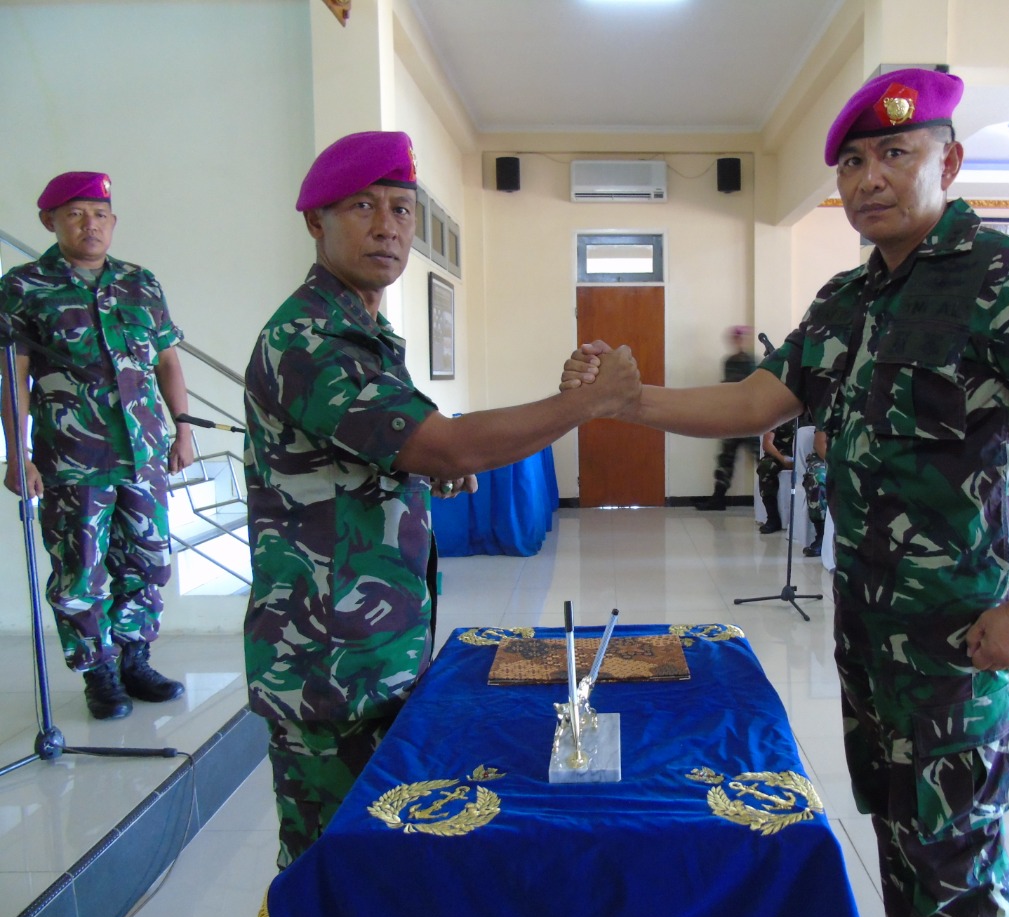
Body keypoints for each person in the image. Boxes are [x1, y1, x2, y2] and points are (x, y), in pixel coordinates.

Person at [563, 68, 1009, 917]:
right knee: (897, 834)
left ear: (951, 159)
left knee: (957, 859)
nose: (870, 178)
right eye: (854, 161)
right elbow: (758, 404)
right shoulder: (848, 300)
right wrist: (630, 404)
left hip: (961, 636)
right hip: (866, 627)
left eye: (896, 153)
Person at [243, 131, 639, 870]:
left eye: (401, 208)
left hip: (370, 642)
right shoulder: (309, 337)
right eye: (362, 206)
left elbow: (404, 450)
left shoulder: (362, 331)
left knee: (379, 860)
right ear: (315, 222)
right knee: (331, 869)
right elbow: (445, 444)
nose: (388, 226)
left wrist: (426, 466)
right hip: (325, 660)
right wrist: (587, 406)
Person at [0, 171, 193, 721]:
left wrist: (183, 428)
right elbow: (13, 377)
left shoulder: (141, 283)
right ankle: (98, 672)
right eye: (76, 214)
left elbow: (167, 361)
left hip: (145, 452)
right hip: (71, 457)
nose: (91, 225)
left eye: (100, 215)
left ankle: (136, 657)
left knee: (150, 560)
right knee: (79, 569)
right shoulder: (23, 287)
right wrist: (19, 455)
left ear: (113, 222)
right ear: (50, 221)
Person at [695, 324, 757, 511]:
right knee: (725, 458)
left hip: (749, 418)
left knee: (762, 458)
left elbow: (749, 389)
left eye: (740, 338)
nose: (737, 341)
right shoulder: (729, 361)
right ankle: (718, 499)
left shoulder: (752, 362)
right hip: (732, 418)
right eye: (735, 338)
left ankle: (776, 502)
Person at [756, 418, 795, 534]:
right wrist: (782, 459)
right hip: (780, 455)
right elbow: (767, 444)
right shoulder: (782, 415)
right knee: (766, 466)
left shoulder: (811, 414)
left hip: (805, 456)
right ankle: (772, 518)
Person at [801, 428, 829, 556]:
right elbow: (819, 444)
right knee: (817, 479)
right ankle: (821, 534)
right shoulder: (830, 410)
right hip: (825, 458)